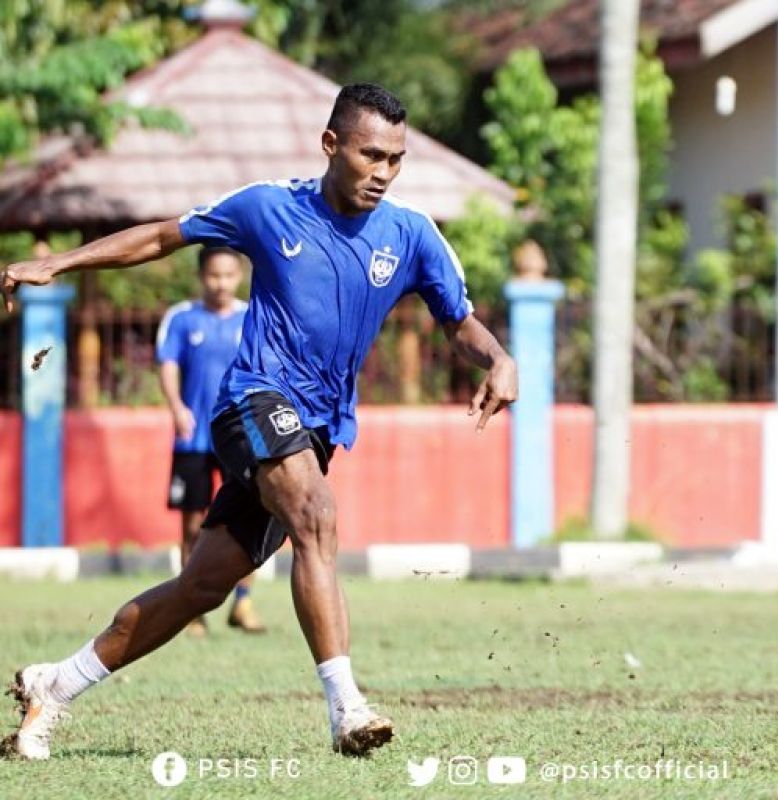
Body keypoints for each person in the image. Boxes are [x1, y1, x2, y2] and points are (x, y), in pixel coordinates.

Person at [1, 83, 517, 759]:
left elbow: (459, 323)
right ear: (331, 145)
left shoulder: (413, 233)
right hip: (251, 403)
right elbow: (163, 235)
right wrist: (57, 262)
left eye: (396, 158)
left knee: (203, 585)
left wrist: (500, 358)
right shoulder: (267, 206)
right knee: (316, 513)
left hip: (316, 432)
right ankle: (347, 709)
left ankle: (55, 682)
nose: (384, 172)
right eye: (370, 155)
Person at [156, 245, 264, 636]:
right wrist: (177, 407)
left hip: (240, 438)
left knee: (251, 520)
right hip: (193, 439)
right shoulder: (182, 319)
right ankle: (191, 612)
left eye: (229, 275)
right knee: (192, 525)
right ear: (202, 276)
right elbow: (167, 365)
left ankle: (243, 603)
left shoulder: (252, 317)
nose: (221, 283)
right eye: (214, 275)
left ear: (239, 276)